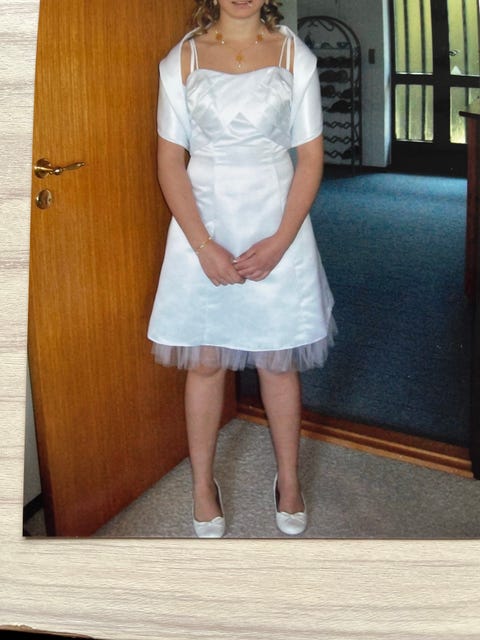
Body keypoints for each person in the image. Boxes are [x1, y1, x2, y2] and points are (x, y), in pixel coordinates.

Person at [148, 0, 336, 538]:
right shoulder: (181, 60)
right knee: (206, 361)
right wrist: (203, 245)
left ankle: (289, 480)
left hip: (276, 222)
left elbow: (311, 158)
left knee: (278, 360)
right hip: (203, 225)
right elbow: (169, 161)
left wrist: (280, 242)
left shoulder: (295, 55)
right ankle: (202, 486)